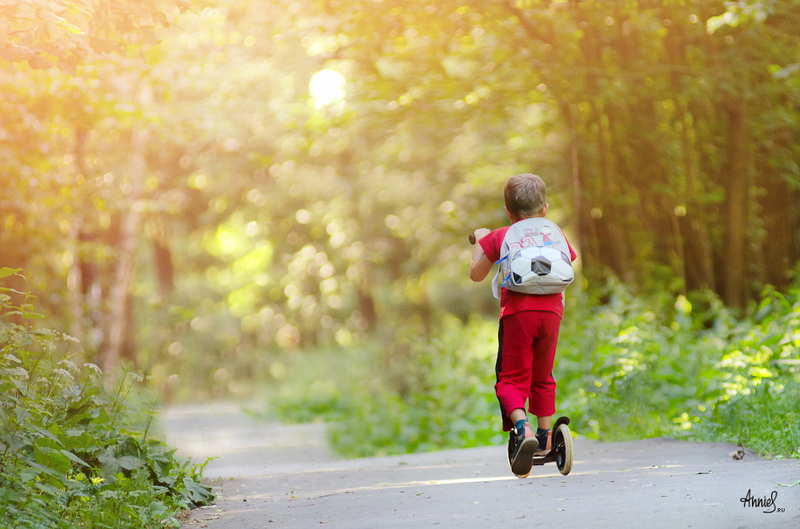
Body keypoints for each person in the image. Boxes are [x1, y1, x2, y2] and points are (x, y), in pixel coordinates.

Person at [469, 173, 577, 477]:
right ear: (544, 208)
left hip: (518, 314)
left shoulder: (501, 235)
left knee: (509, 379)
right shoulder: (554, 232)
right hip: (552, 313)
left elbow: (476, 274)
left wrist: (480, 241)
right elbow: (568, 259)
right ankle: (545, 440)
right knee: (542, 375)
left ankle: (523, 428)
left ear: (508, 211)